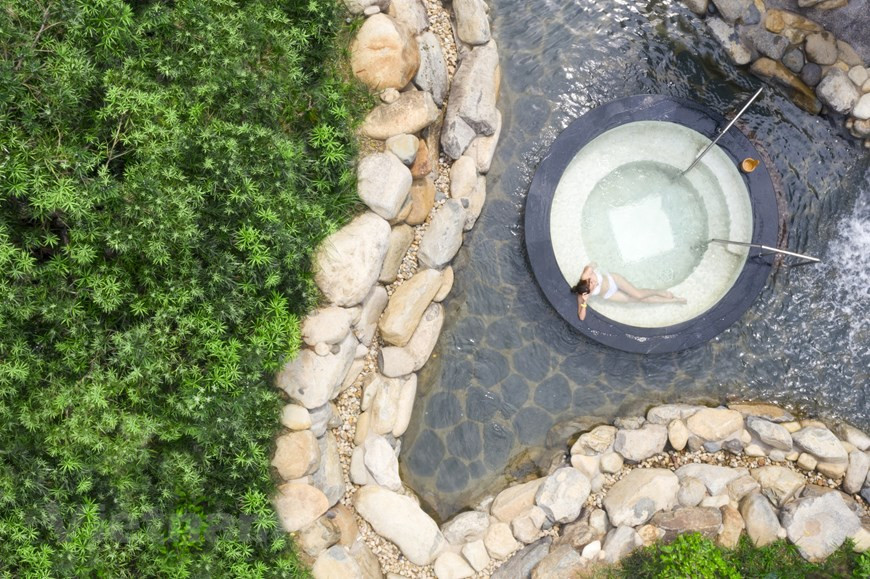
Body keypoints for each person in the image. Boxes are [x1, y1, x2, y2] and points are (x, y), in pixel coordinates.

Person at [571, 262, 686, 320]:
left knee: (638, 295)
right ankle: (674, 300)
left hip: (614, 280)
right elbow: (581, 317)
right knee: (642, 301)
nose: (595, 283)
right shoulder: (583, 296)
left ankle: (658, 292)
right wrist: (584, 303)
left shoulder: (586, 275)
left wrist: (592, 266)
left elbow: (593, 263)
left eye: (592, 281)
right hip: (610, 294)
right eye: (593, 287)